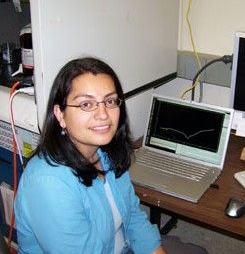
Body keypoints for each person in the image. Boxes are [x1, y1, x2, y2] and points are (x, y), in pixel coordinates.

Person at [14, 57, 166, 254]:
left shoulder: (105, 152)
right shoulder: (48, 184)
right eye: (86, 104)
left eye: (110, 101)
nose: (103, 114)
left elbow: (133, 218)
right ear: (60, 115)